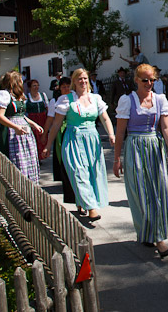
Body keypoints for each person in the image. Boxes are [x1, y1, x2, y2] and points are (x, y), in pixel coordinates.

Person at [113, 64, 168, 256]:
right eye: (145, 80)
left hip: (154, 147)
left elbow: (165, 127)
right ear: (136, 80)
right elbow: (121, 131)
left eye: (152, 80)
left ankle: (155, 235)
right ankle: (153, 236)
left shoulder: (160, 99)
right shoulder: (127, 100)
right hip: (135, 147)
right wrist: (117, 158)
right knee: (140, 193)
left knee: (157, 192)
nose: (149, 84)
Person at [44, 69, 115, 222]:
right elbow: (56, 125)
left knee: (92, 172)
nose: (83, 81)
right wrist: (48, 145)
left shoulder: (95, 98)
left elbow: (105, 119)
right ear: (74, 82)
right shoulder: (66, 100)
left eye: (85, 78)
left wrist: (111, 134)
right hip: (73, 140)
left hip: (92, 140)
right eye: (79, 79)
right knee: (78, 172)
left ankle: (81, 202)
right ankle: (91, 208)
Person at [0, 71, 44, 183]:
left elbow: (21, 116)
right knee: (16, 157)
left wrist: (33, 124)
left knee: (27, 157)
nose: (22, 83)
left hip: (23, 129)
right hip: (11, 131)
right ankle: (17, 183)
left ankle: (29, 182)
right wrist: (15, 127)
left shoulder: (19, 96)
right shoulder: (5, 95)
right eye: (20, 80)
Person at [42, 77, 76, 204]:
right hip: (61, 130)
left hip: (73, 129)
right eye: (64, 87)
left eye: (68, 86)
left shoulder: (76, 98)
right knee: (63, 155)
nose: (66, 89)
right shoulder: (55, 102)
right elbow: (51, 119)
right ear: (59, 89)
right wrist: (45, 133)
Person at [25, 79, 48, 160]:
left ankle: (42, 155)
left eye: (37, 85)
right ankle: (36, 157)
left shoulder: (42, 95)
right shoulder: (27, 97)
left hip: (42, 118)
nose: (36, 87)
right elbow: (24, 110)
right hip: (32, 119)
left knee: (43, 137)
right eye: (34, 85)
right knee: (35, 138)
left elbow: (47, 108)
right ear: (30, 87)